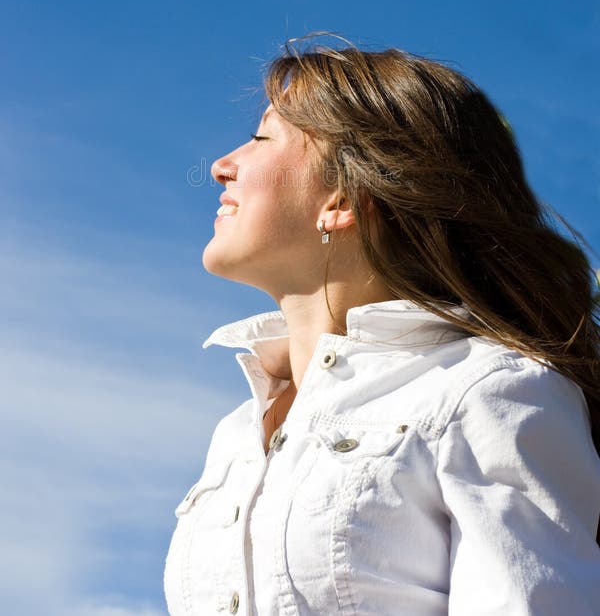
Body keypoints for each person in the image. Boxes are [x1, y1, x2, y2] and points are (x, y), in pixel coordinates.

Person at [164, 39, 600, 616]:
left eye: (263, 137)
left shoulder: (488, 390)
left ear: (341, 199)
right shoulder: (236, 434)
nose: (221, 166)